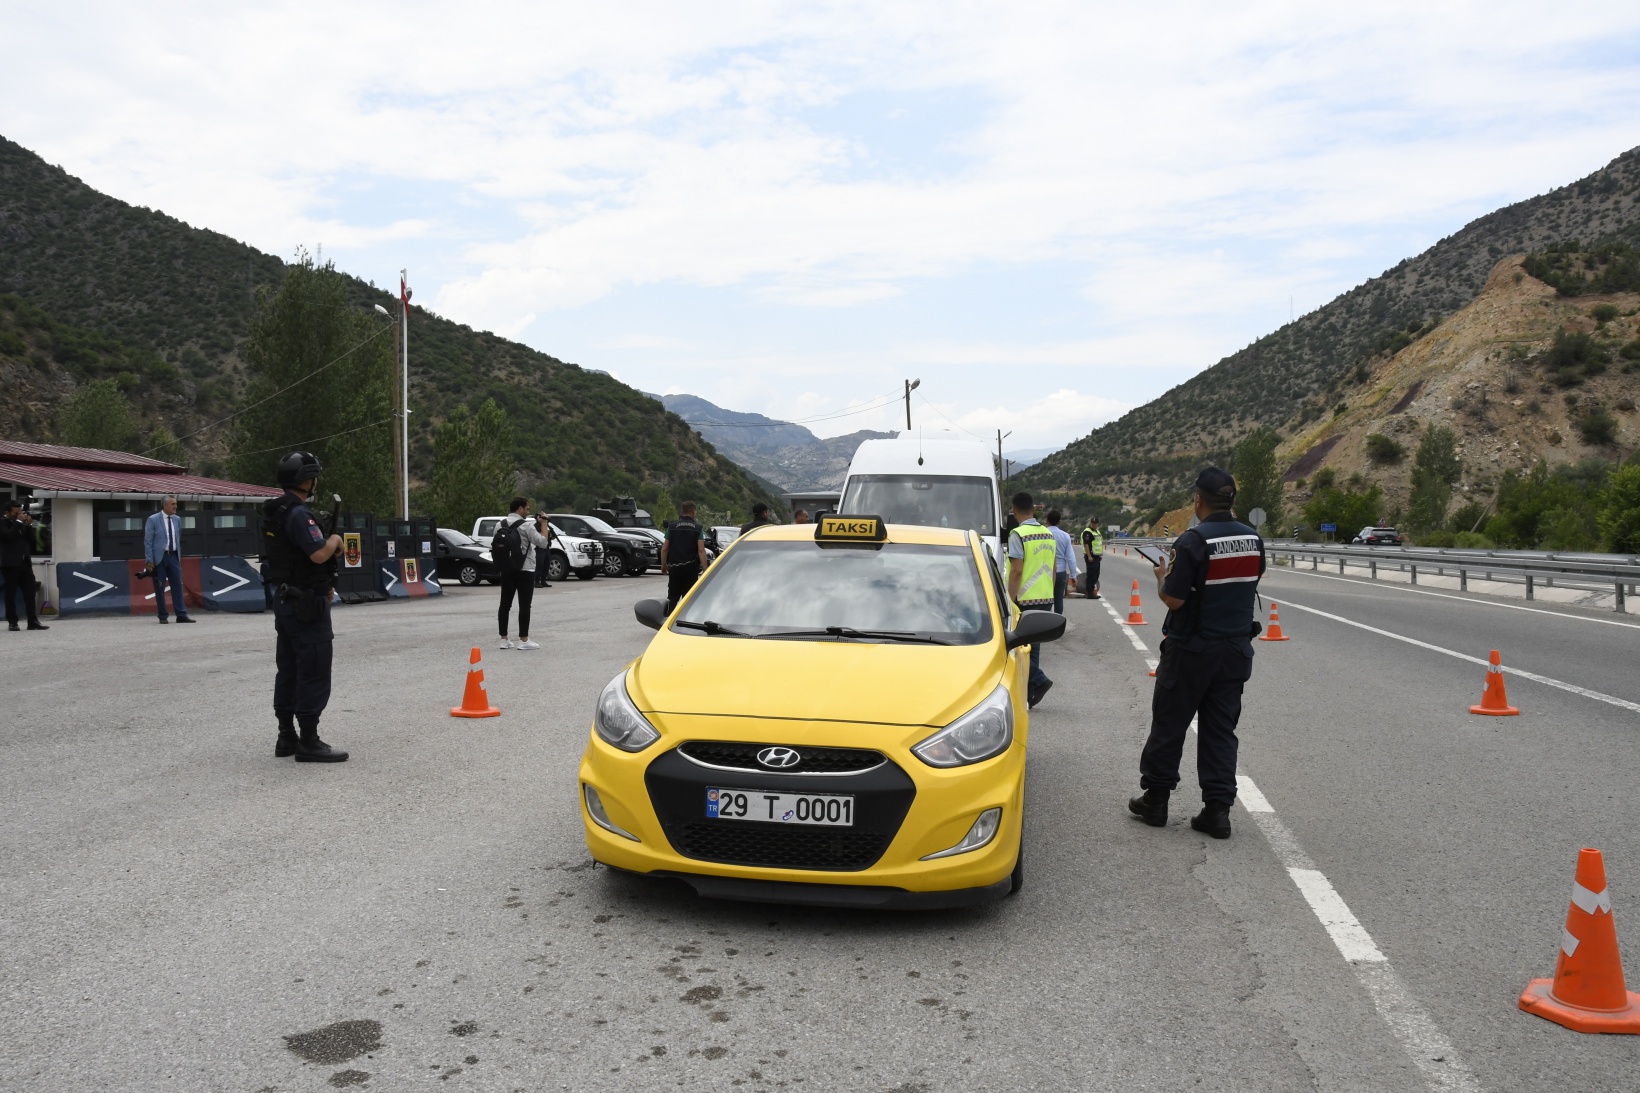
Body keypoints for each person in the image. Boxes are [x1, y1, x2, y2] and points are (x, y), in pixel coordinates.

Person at [1128, 468, 1265, 839]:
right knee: (1221, 729)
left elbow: (1174, 597)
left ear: (1198, 500)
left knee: (1171, 722)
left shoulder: (1192, 541)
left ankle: (1156, 800)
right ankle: (1217, 811)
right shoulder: (1253, 539)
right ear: (1232, 501)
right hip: (1235, 649)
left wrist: (1160, 576)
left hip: (1191, 649)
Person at [262, 451, 347, 763]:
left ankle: (286, 735)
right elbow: (317, 555)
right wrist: (335, 540)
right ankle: (308, 740)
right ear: (306, 480)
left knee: (289, 669)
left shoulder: (275, 510)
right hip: (306, 604)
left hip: (285, 599)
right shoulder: (299, 514)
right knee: (313, 667)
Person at [1005, 492, 1057, 708]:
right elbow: (1053, 567)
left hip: (1024, 599)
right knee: (1034, 648)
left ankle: (1037, 681)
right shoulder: (1048, 534)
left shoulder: (1018, 534)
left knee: (1022, 648)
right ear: (1033, 509)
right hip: (1045, 596)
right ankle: (1030, 692)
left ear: (1014, 511)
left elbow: (1016, 571)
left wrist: (1009, 598)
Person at [496, 496, 552, 650]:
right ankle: (524, 640)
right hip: (525, 569)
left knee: (504, 604)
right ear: (519, 508)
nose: (528, 511)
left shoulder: (499, 525)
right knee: (525, 605)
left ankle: (504, 639)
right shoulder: (526, 526)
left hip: (506, 569)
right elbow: (543, 542)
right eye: (527, 508)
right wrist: (544, 523)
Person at [143, 495, 194, 624]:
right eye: (172, 504)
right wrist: (149, 562)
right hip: (159, 558)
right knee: (159, 587)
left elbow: (178, 537)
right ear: (164, 505)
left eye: (176, 504)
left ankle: (181, 614)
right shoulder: (153, 519)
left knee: (177, 585)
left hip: (173, 556)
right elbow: (148, 542)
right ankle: (163, 615)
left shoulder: (177, 519)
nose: (175, 506)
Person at [2, 500, 47, 631]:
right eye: (15, 513)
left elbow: (31, 541)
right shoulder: (3, 523)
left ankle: (33, 621)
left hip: (24, 563)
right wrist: (19, 522)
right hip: (10, 564)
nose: (19, 515)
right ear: (7, 512)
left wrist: (28, 526)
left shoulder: (21, 524)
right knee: (10, 594)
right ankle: (12, 621)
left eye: (19, 512)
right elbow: (8, 537)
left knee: (30, 592)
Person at [661, 501, 709, 613]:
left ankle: (668, 621)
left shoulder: (672, 527)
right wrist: (705, 568)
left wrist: (664, 565)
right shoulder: (698, 528)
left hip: (675, 568)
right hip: (690, 569)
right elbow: (701, 550)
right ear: (693, 512)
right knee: (688, 598)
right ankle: (686, 622)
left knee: (672, 597)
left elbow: (664, 548)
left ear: (683, 511)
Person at [1044, 509, 1079, 613]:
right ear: (1060, 522)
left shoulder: (1042, 533)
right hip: (1060, 572)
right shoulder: (1065, 536)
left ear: (1046, 520)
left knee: (1045, 599)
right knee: (1059, 599)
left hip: (1045, 571)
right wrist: (1073, 575)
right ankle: (1058, 623)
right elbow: (1070, 557)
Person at [1080, 519, 1103, 598]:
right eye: (1092, 523)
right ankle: (1089, 593)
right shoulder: (1087, 532)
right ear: (1090, 523)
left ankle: (1092, 591)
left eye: (1095, 523)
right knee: (1091, 575)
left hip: (1096, 556)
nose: (1094, 524)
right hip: (1091, 556)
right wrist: (1089, 556)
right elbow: (1086, 545)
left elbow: (1097, 543)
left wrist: (1099, 555)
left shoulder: (1096, 531)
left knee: (1096, 574)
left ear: (1097, 524)